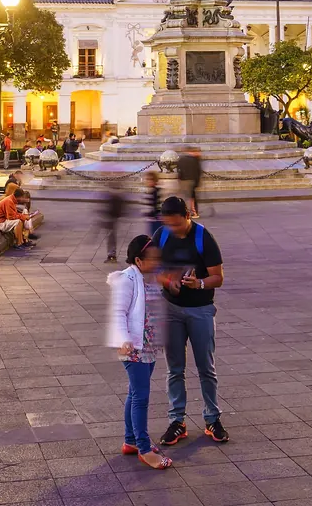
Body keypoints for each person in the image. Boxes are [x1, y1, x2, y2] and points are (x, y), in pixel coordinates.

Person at [154, 196, 228, 447]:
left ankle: (212, 418)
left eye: (177, 224)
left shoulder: (202, 238)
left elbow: (218, 277)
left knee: (206, 367)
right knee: (175, 369)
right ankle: (177, 421)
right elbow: (152, 269)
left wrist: (200, 284)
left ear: (187, 216)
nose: (173, 229)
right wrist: (168, 281)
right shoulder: (161, 236)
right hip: (171, 309)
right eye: (169, 224)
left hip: (201, 310)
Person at [108, 233, 172, 470]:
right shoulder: (127, 280)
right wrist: (123, 339)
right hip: (134, 347)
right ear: (138, 260)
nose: (157, 262)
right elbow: (118, 312)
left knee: (135, 394)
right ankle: (144, 449)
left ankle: (131, 441)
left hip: (149, 347)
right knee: (142, 397)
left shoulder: (148, 277)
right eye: (152, 258)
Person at [100, 185, 127, 263]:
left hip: (111, 221)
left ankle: (112, 256)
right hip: (111, 220)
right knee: (111, 238)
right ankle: (111, 255)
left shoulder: (115, 199)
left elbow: (114, 211)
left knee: (111, 238)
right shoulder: (115, 198)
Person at [176, 147, 203, 219]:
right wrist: (197, 182)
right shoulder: (195, 160)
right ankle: (193, 212)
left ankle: (184, 212)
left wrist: (179, 179)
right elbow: (198, 172)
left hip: (183, 180)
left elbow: (179, 170)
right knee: (191, 197)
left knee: (184, 197)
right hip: (192, 181)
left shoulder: (181, 159)